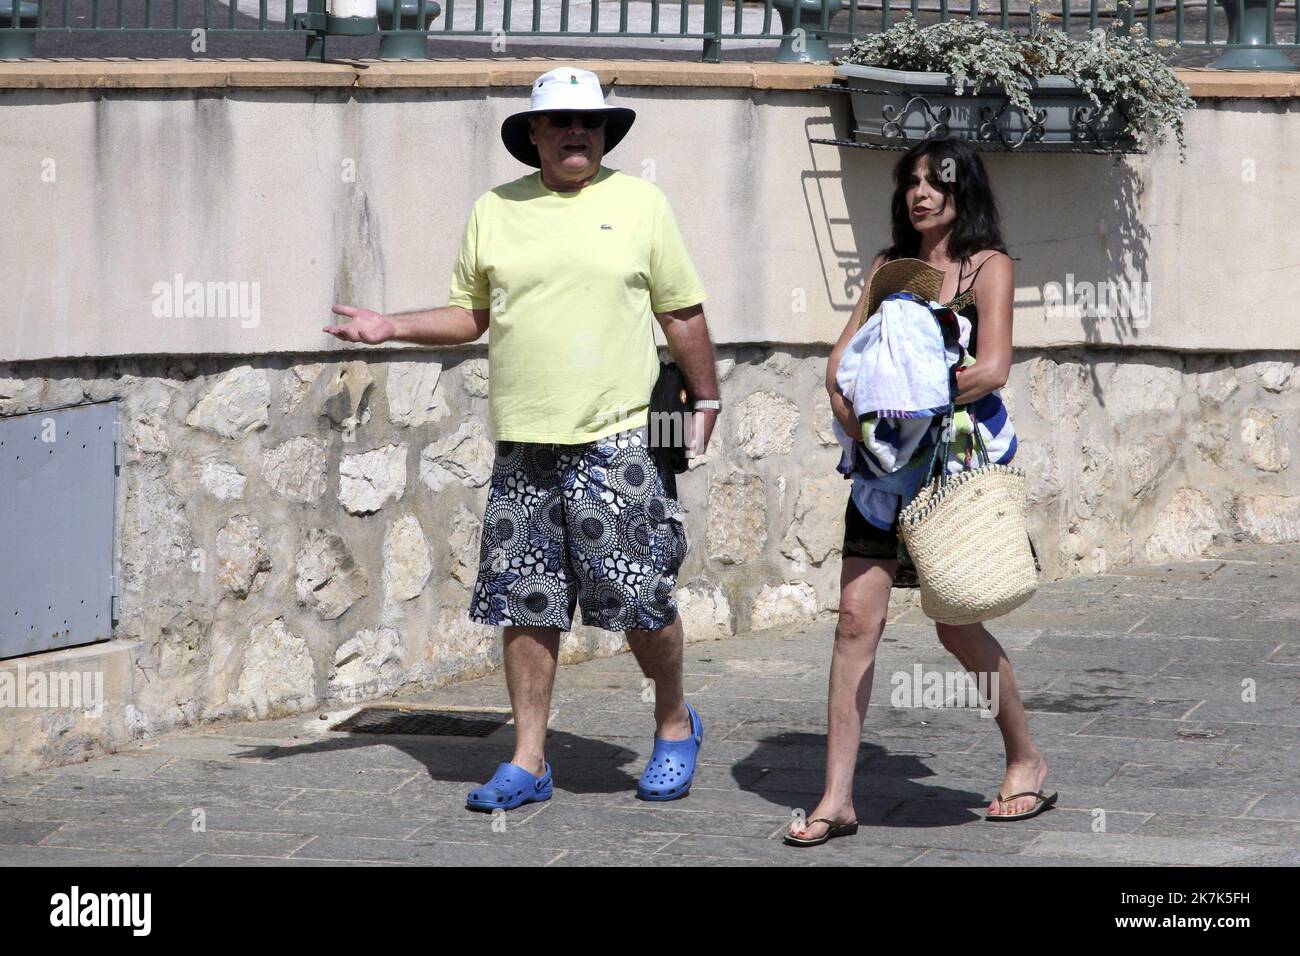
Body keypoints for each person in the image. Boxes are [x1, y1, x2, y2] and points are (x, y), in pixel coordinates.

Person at [324, 67, 721, 810]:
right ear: (533, 133)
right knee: (527, 601)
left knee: (639, 595)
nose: (579, 132)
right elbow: (469, 315)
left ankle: (674, 720)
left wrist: (708, 396)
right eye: (562, 121)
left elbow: (683, 312)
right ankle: (530, 758)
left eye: (592, 123)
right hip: (525, 444)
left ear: (605, 133)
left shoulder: (642, 204)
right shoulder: (495, 211)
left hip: (620, 437)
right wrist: (390, 326)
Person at [786, 137, 1053, 846]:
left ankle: (1025, 757)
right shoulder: (889, 268)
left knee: (957, 623)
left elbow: (992, 368)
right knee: (853, 621)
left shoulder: (987, 267)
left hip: (953, 470)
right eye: (910, 182)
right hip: (880, 471)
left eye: (936, 181)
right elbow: (843, 359)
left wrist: (907, 402)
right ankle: (837, 797)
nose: (921, 193)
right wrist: (856, 409)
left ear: (964, 190)